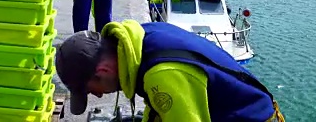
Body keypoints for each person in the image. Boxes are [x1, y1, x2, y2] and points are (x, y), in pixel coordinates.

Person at [55, 20, 285, 122]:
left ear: (103, 69)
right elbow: (159, 107)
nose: (96, 96)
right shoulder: (140, 41)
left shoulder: (162, 73)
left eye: (90, 90)